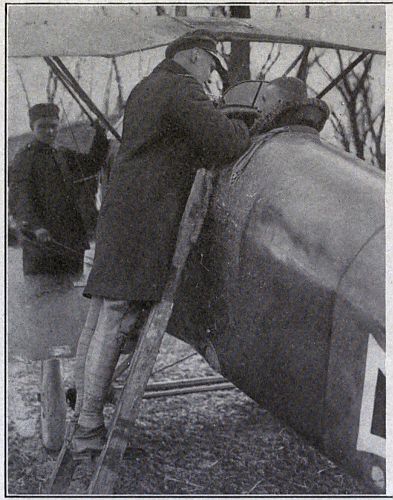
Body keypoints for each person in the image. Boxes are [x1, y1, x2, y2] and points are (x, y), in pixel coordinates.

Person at [71, 30, 251, 457]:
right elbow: (225, 142)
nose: (211, 75)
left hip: (120, 215)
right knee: (118, 321)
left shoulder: (145, 88)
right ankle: (89, 426)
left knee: (99, 316)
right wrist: (244, 126)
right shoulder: (182, 87)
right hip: (145, 222)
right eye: (210, 64)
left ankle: (81, 404)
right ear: (192, 57)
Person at [9, 103, 109, 277]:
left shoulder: (60, 153)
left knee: (71, 290)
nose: (49, 131)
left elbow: (91, 165)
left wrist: (100, 135)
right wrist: (35, 227)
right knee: (46, 295)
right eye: (42, 126)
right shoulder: (24, 158)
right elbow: (20, 198)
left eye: (53, 126)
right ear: (32, 127)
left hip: (70, 240)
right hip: (42, 243)